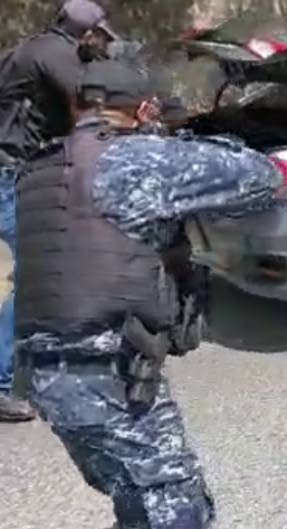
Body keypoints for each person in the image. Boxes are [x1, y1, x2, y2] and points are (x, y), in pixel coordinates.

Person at [16, 61, 216, 529]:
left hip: (45, 377)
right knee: (175, 502)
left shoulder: (40, 167)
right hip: (111, 372)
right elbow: (260, 181)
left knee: (132, 494)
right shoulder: (135, 160)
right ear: (145, 109)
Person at [0, 0, 118, 422]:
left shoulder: (32, 48)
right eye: (99, 36)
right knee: (26, 275)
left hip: (11, 164)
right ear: (86, 32)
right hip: (9, 171)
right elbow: (85, 105)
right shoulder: (56, 55)